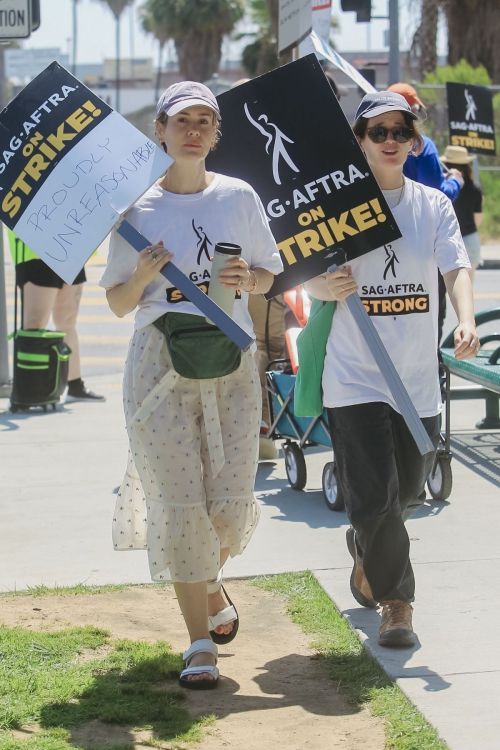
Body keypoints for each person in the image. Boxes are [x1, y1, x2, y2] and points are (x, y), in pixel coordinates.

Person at [100, 81, 282, 689]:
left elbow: (268, 276)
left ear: (215, 134)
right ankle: (199, 643)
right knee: (181, 507)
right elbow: (120, 304)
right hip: (158, 364)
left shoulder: (239, 196)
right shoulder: (138, 210)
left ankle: (207, 583)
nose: (194, 131)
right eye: (183, 121)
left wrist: (248, 277)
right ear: (161, 131)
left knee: (227, 508)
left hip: (229, 359)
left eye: (206, 121)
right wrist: (145, 272)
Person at [304, 91, 478, 648]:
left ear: (413, 140)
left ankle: (367, 552)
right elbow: (298, 272)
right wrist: (321, 286)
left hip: (415, 380)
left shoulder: (433, 205)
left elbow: (456, 267)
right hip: (353, 376)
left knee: (403, 494)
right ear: (359, 143)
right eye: (377, 132)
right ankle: (397, 605)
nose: (390, 141)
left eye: (400, 131)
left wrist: (466, 318)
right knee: (376, 495)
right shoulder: (340, 210)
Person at [9, 232, 105, 402]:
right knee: (35, 324)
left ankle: (75, 385)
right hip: (35, 248)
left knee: (67, 321)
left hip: (71, 245)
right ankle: (31, 390)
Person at [440, 145, 483, 283]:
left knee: (442, 288)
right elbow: (478, 219)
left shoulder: (441, 188)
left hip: (446, 238)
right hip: (470, 238)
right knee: (467, 288)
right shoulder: (475, 189)